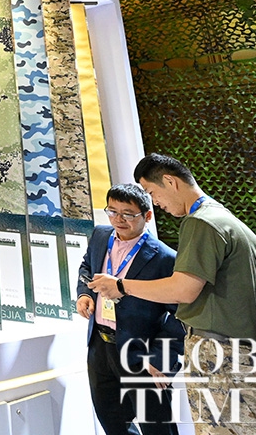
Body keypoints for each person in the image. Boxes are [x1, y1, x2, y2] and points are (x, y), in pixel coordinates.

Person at [89, 154, 256, 434]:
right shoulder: (230, 222)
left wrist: (121, 286)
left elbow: (184, 290)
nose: (156, 202)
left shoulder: (200, 222)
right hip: (249, 360)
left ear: (170, 181)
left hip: (221, 361)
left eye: (152, 192)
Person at [77, 183, 184, 435]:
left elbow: (182, 314)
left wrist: (161, 357)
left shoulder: (165, 257)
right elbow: (86, 266)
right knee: (113, 425)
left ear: (147, 216)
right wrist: (85, 293)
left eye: (128, 214)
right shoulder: (100, 236)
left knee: (157, 428)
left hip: (142, 352)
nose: (118, 219)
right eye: (112, 211)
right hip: (100, 347)